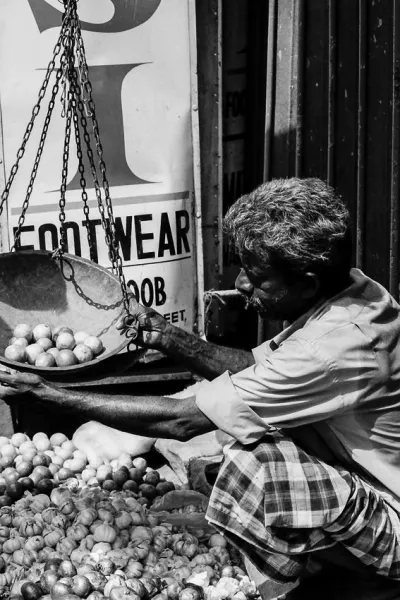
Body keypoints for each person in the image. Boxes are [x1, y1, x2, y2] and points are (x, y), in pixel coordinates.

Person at [1, 177, 400, 600]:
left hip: (390, 517)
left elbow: (183, 421)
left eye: (256, 276)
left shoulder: (331, 348)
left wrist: (50, 394)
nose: (242, 285)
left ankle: (314, 586)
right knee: (230, 451)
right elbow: (253, 368)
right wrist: (170, 338)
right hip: (357, 480)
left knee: (253, 463)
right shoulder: (353, 292)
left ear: (305, 284)